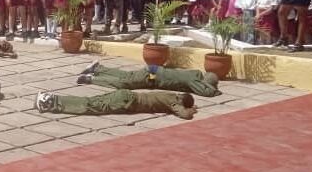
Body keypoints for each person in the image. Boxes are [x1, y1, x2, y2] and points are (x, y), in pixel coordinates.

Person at [76, 60, 221, 97]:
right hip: (152, 76)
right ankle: (90, 79)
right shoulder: (193, 80)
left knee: (127, 77)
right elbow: (206, 92)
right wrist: (215, 90)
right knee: (124, 84)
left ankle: (98, 68)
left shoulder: (194, 74)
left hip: (153, 71)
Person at [34, 89, 198, 120]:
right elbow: (185, 115)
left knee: (89, 102)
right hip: (126, 101)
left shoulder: (171, 95)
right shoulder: (174, 102)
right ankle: (49, 102)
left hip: (125, 95)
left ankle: (50, 100)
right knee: (88, 106)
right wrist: (191, 110)